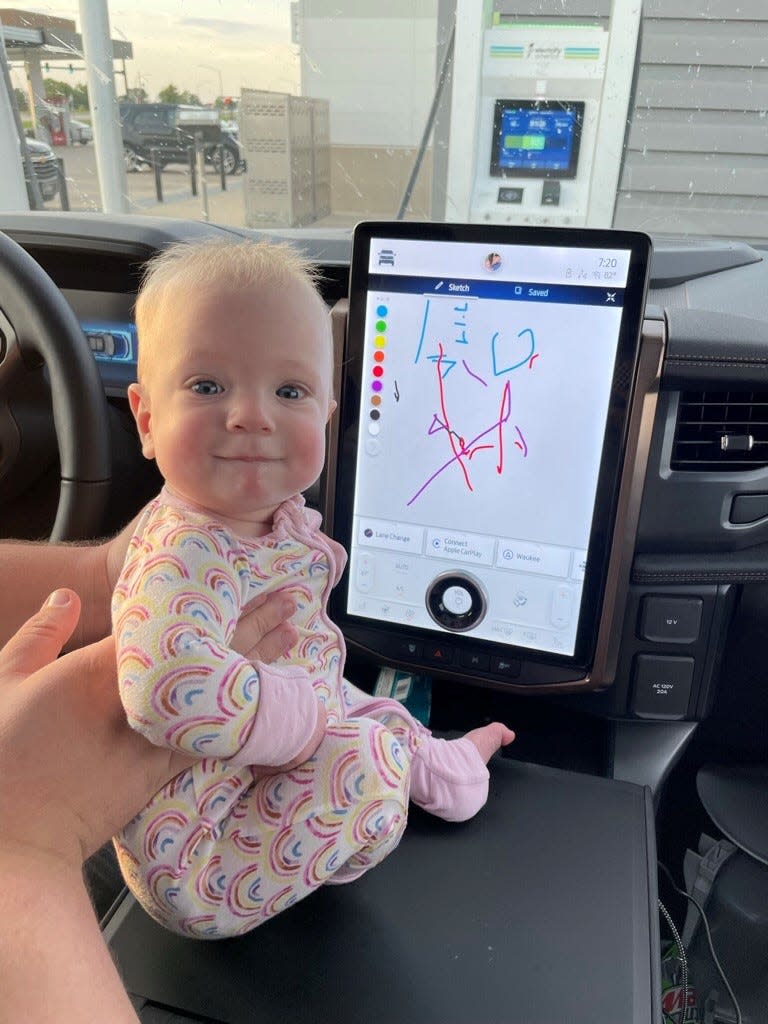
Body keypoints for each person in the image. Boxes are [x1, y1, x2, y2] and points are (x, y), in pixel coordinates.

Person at [111, 238, 515, 939]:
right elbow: (167, 689)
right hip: (197, 865)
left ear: (327, 415)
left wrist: (327, 707)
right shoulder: (186, 551)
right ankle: (392, 794)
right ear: (147, 419)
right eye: (207, 386)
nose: (252, 416)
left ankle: (444, 767)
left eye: (289, 391)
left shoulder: (264, 528)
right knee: (370, 768)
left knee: (351, 708)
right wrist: (314, 723)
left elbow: (305, 672)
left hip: (241, 793)